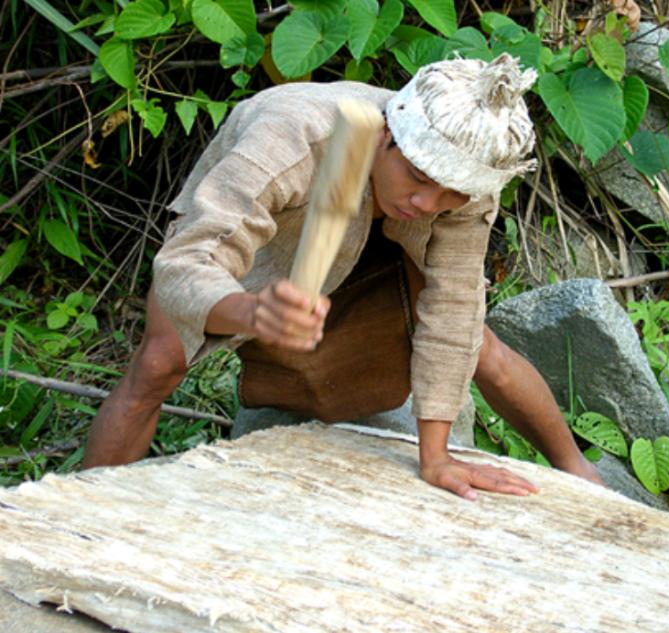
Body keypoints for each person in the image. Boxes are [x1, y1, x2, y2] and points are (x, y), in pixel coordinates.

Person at [82, 54, 604, 501]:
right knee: (159, 362)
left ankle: (579, 472)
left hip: (380, 224)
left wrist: (436, 457)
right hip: (292, 211)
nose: (428, 205)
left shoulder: (466, 179)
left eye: (450, 195)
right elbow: (185, 264)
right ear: (385, 136)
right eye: (419, 179)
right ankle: (79, 518)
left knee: (476, 345)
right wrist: (251, 310)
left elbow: (451, 315)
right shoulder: (292, 136)